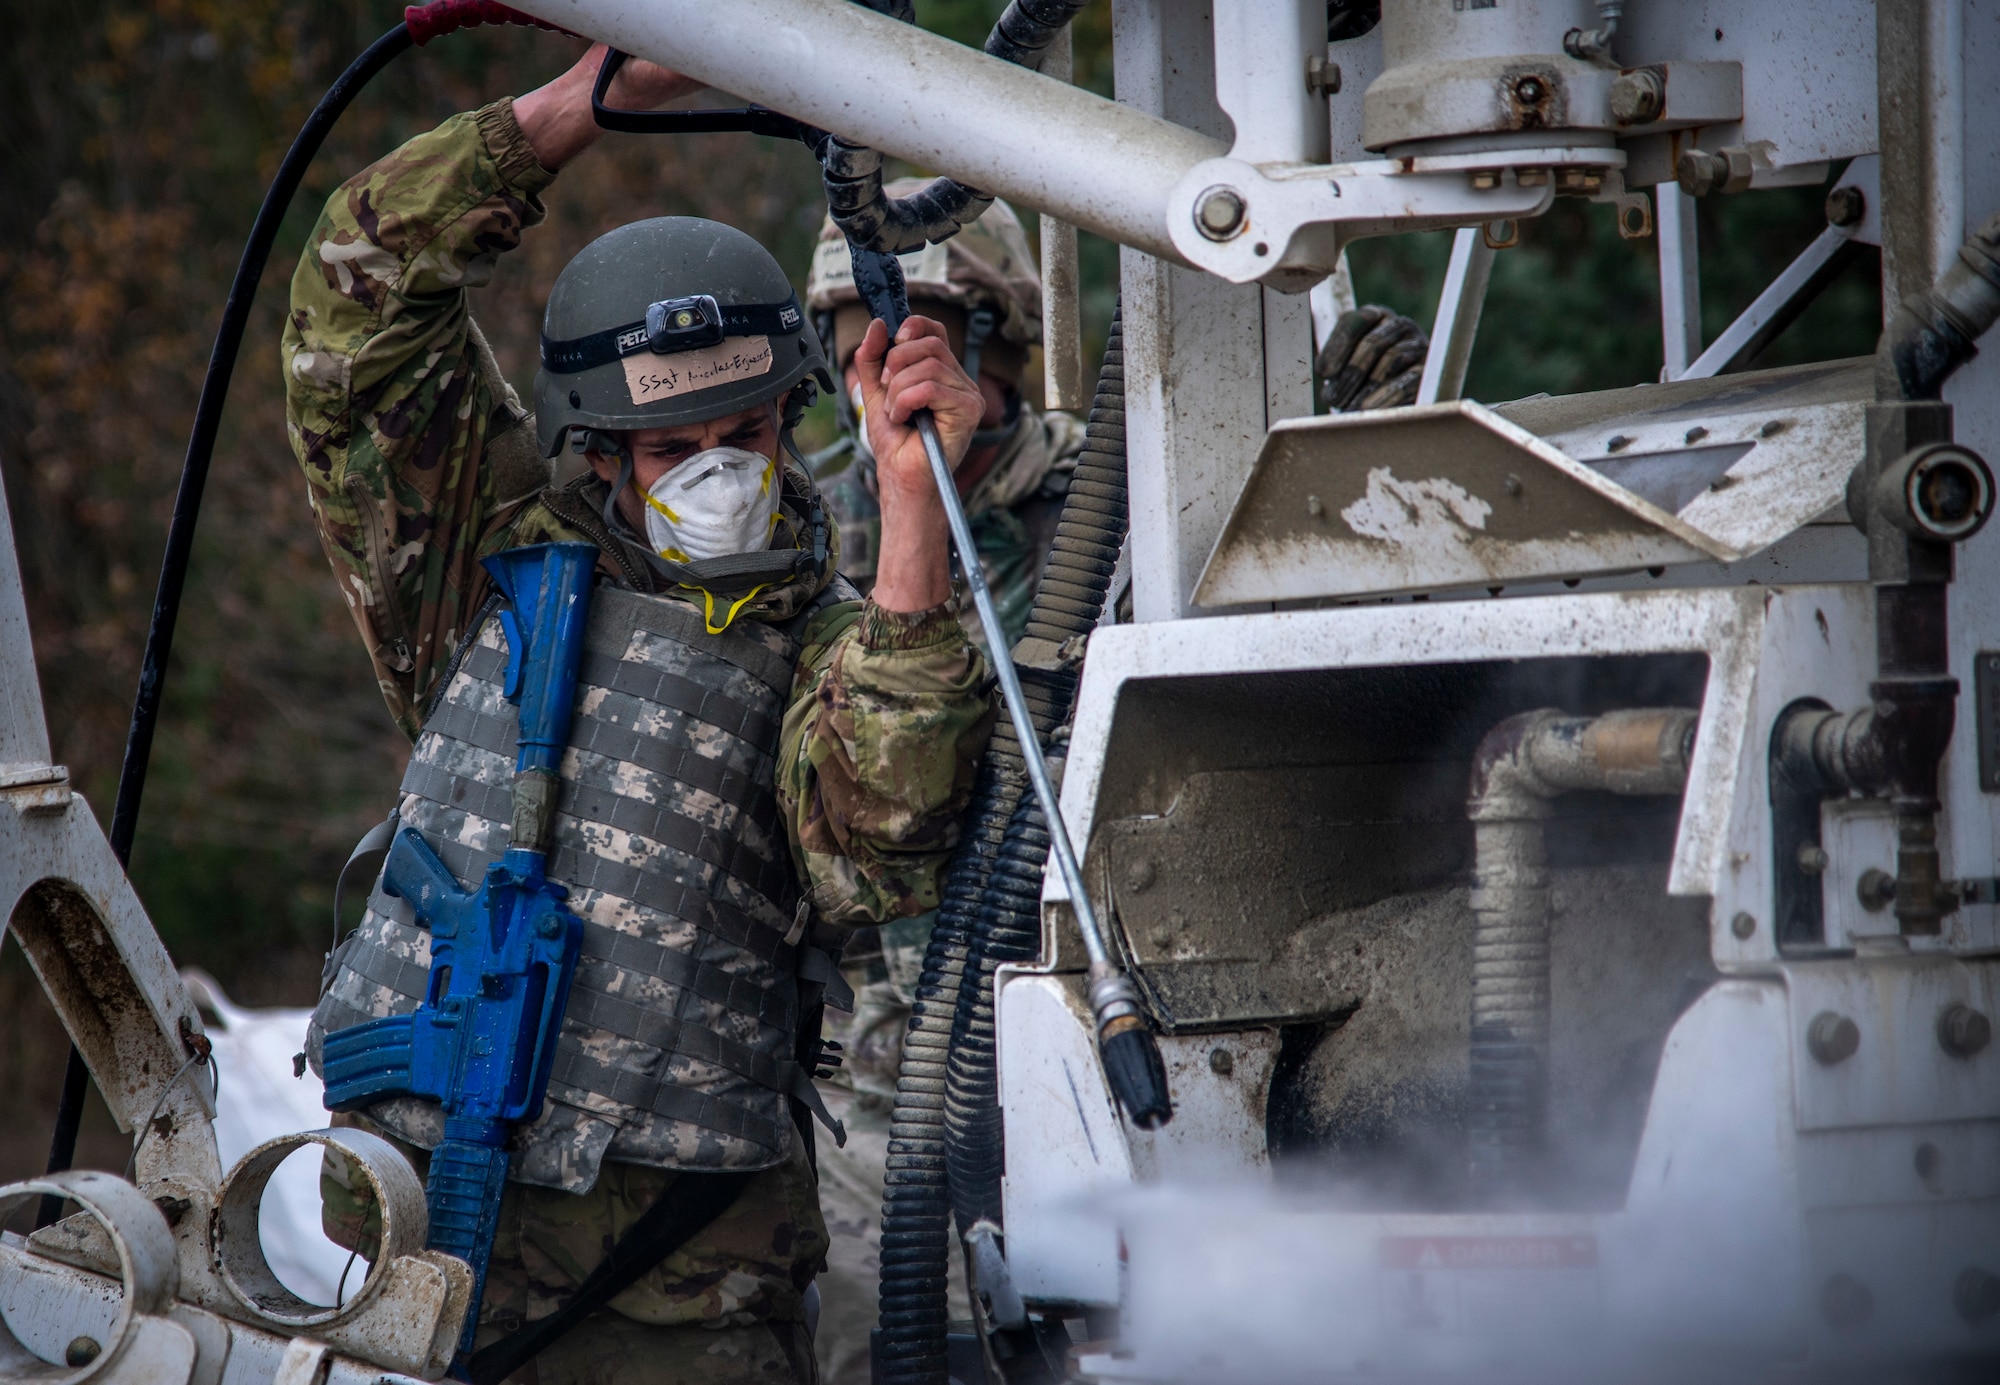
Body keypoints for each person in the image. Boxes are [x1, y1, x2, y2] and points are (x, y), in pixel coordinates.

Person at [283, 42, 995, 1385]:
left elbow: (875, 843)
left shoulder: (848, 636)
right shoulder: (479, 570)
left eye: (748, 434)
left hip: (686, 1292)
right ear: (602, 452)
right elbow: (350, 317)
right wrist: (572, 110)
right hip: (429, 1263)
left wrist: (913, 510)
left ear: (795, 420)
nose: (716, 473)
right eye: (673, 451)